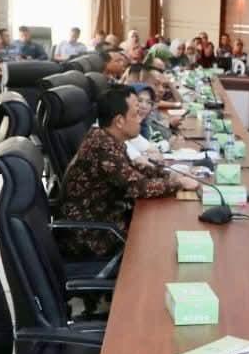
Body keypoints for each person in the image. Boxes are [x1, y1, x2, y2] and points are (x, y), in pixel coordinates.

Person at [59, 87, 197, 260]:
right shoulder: (102, 147)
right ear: (119, 121)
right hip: (94, 239)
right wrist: (179, 183)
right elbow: (137, 186)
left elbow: (134, 169)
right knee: (166, 244)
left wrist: (170, 175)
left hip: (110, 224)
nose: (140, 118)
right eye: (135, 114)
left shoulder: (107, 138)